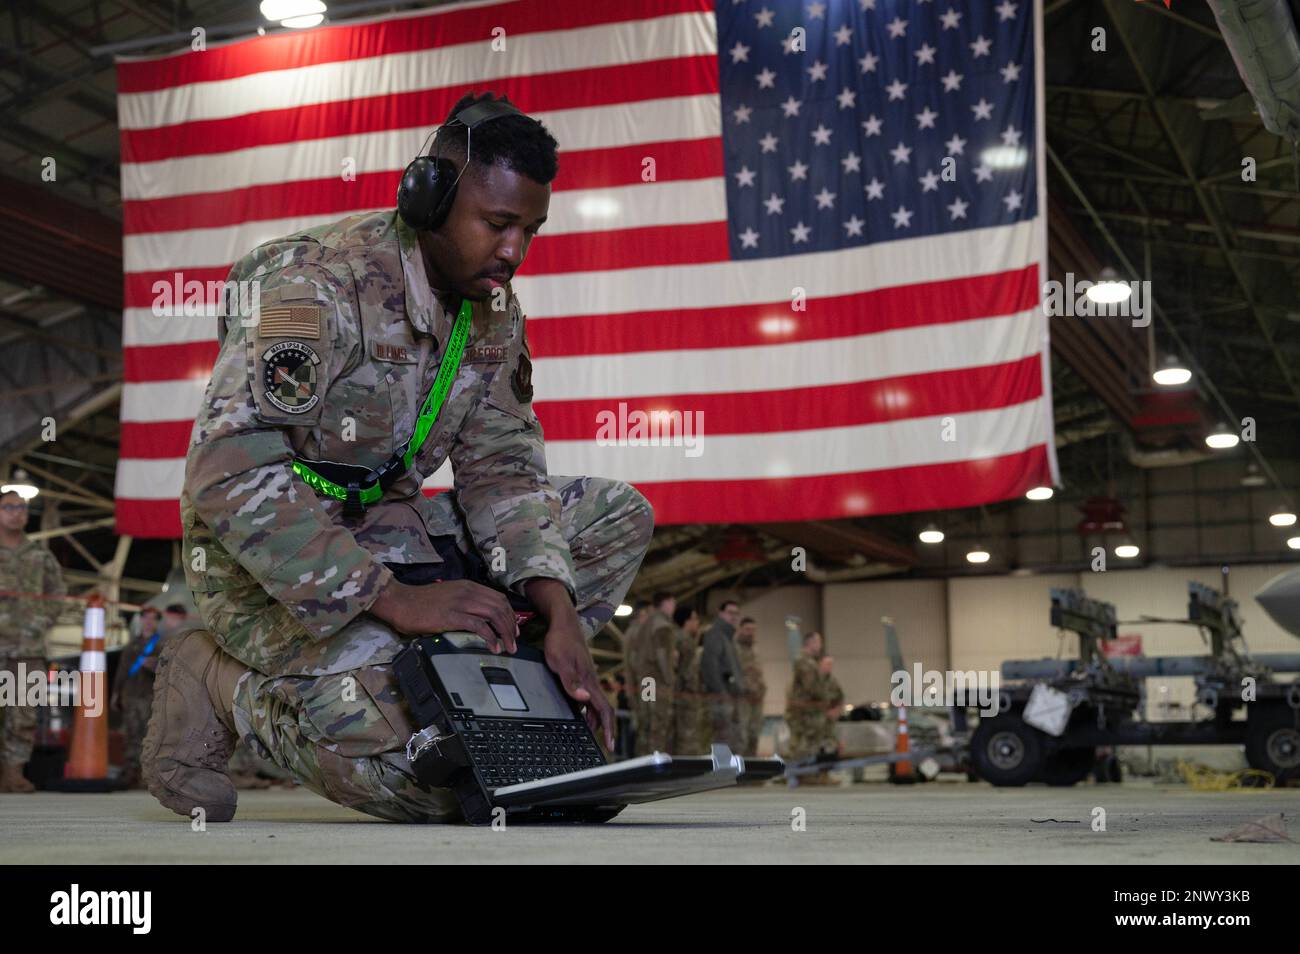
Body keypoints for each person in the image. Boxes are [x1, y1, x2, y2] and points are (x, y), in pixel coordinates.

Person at [143, 91, 654, 823]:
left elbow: (503, 470)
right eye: (499, 223)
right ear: (430, 198)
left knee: (618, 516)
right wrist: (395, 599)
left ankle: (498, 701)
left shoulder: (494, 317)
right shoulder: (311, 285)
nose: (514, 251)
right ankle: (221, 681)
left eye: (531, 230)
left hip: (393, 531)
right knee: (427, 781)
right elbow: (229, 467)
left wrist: (558, 612)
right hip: (268, 560)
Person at [0, 489, 66, 793]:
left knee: (23, 710)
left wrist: (40, 622)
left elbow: (57, 595)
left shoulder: (40, 555)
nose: (17, 512)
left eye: (22, 507)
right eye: (9, 507)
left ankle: (13, 773)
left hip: (28, 647)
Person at [111, 606, 163, 788]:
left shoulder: (161, 645)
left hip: (150, 697)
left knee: (150, 736)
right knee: (131, 734)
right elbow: (122, 671)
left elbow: (171, 671)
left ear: (157, 622)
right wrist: (116, 693)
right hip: (131, 696)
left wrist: (156, 666)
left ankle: (147, 775)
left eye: (153, 618)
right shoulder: (132, 645)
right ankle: (130, 772)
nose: (149, 621)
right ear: (141, 620)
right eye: (146, 618)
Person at [785, 631, 844, 784]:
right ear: (810, 643)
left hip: (813, 713)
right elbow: (811, 688)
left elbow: (838, 695)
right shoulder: (805, 662)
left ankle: (811, 774)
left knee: (813, 744)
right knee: (804, 745)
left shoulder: (811, 663)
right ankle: (804, 775)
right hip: (805, 713)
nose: (820, 646)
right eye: (818, 642)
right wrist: (825, 699)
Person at [632, 592, 676, 756]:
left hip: (646, 681)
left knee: (646, 723)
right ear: (666, 602)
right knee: (658, 724)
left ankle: (641, 762)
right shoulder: (662, 625)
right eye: (673, 603)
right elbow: (662, 654)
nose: (673, 608)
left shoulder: (646, 624)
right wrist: (669, 679)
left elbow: (634, 656)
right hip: (657, 681)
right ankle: (655, 765)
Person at [699, 600, 744, 750]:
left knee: (732, 740)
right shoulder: (715, 634)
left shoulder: (728, 637)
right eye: (730, 613)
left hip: (730, 697)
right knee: (723, 741)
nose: (734, 617)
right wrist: (720, 692)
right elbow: (709, 665)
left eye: (736, 614)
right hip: (721, 699)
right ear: (720, 613)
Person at [671, 604, 706, 755]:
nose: (697, 622)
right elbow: (680, 670)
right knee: (687, 738)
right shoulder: (683, 639)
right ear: (687, 621)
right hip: (684, 696)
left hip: (685, 694)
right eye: (695, 619)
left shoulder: (686, 639)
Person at [734, 617, 766, 757]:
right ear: (740, 629)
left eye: (753, 630)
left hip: (756, 699)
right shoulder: (733, 648)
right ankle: (738, 771)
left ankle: (751, 771)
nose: (751, 633)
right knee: (741, 736)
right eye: (747, 629)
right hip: (741, 699)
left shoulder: (755, 649)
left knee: (754, 734)